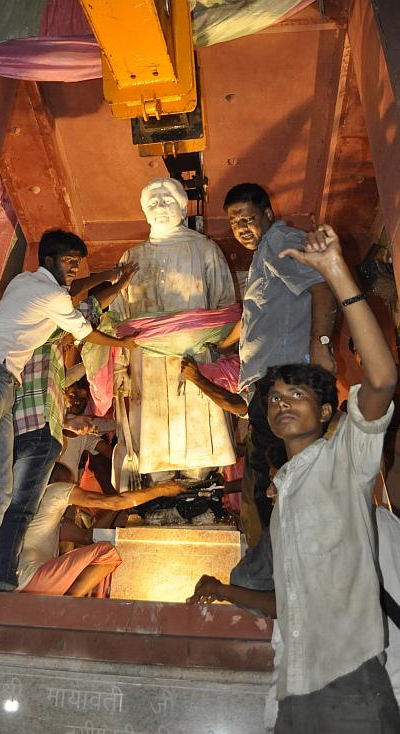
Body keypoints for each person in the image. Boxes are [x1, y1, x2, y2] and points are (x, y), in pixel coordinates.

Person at [191, 224, 400, 732]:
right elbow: (289, 601)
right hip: (292, 688)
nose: (282, 402)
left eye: (298, 395)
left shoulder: (344, 459)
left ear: (328, 410)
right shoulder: (283, 497)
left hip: (352, 679)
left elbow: (382, 380)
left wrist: (335, 273)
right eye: (277, 397)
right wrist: (223, 590)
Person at [0, 229, 138, 590]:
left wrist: (109, 276)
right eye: (69, 261)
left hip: (6, 384)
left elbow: (83, 297)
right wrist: (123, 343)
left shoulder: (34, 289)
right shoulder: (49, 296)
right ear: (50, 261)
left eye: (76, 263)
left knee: (0, 492)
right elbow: (85, 323)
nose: (73, 268)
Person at [222, 183, 336, 547]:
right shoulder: (263, 256)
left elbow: (322, 284)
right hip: (268, 382)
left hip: (281, 381)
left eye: (248, 217)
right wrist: (219, 341)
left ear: (268, 214)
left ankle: (266, 570)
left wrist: (321, 344)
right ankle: (277, 559)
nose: (240, 227)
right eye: (234, 221)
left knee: (260, 483)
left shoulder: (278, 240)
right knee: (274, 475)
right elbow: (257, 316)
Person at [113, 177, 237, 478]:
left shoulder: (205, 250)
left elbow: (227, 305)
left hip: (196, 356)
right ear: (144, 211)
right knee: (152, 427)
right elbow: (118, 319)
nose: (159, 207)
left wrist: (220, 353)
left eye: (166, 200)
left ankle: (200, 480)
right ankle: (159, 483)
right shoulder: (132, 257)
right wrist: (121, 367)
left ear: (182, 207)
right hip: (148, 360)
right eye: (152, 202)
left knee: (197, 424)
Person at [16, 479, 185, 597]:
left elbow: (87, 536)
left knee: (101, 554)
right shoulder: (55, 491)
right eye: (72, 483)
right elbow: (115, 502)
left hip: (27, 582)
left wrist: (120, 510)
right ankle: (68, 605)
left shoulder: (44, 516)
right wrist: (162, 489)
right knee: (107, 552)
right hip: (31, 578)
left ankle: (67, 602)